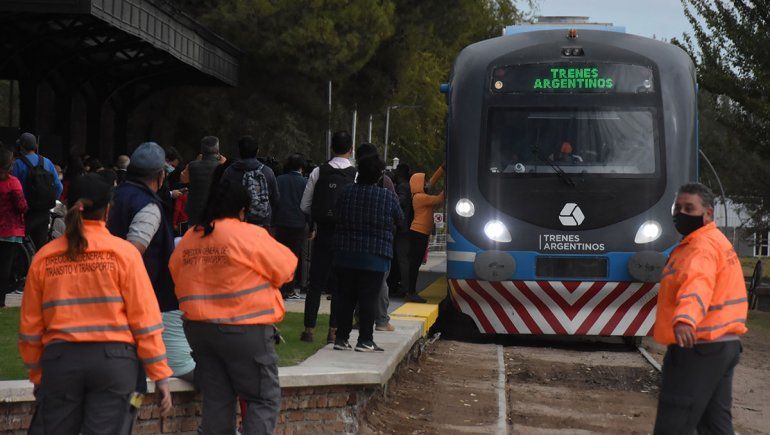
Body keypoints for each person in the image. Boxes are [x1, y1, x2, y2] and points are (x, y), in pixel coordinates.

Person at [18, 173, 172, 434]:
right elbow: (145, 320)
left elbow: (31, 327)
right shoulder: (124, 254)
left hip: (60, 362)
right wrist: (160, 375)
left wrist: (38, 374)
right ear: (107, 210)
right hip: (114, 363)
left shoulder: (45, 258)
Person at [169, 171, 295, 434]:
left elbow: (175, 271)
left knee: (217, 401)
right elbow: (286, 269)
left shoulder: (191, 238)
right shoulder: (249, 235)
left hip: (199, 330)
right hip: (245, 329)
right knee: (261, 398)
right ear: (242, 209)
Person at [652, 183, 748, 435]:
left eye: (689, 208)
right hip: (724, 345)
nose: (681, 214)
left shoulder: (700, 248)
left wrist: (685, 319)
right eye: (678, 207)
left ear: (708, 213)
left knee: (674, 422)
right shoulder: (716, 241)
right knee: (715, 425)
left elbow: (697, 286)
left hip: (697, 346)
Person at [332, 151, 403, 352]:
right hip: (375, 256)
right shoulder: (387, 197)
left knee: (346, 298)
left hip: (344, 254)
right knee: (368, 299)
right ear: (379, 176)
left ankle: (342, 338)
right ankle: (365, 339)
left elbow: (336, 215)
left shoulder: (346, 192)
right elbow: (401, 220)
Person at [300, 131, 357, 343]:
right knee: (340, 284)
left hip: (323, 233)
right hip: (345, 235)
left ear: (331, 148)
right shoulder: (355, 174)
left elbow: (305, 205)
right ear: (350, 149)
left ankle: (309, 329)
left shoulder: (318, 171)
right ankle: (333, 331)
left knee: (315, 282)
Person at [108, 142, 178, 313]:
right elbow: (132, 253)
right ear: (161, 176)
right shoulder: (148, 207)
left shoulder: (113, 194)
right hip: (134, 294)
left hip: (108, 290)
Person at [11, 132, 63, 251]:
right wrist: (48, 201)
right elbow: (59, 187)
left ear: (21, 146)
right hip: (44, 212)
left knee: (19, 246)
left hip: (25, 212)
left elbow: (13, 190)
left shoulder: (17, 164)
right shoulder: (47, 162)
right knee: (40, 247)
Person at [406, 164, 445, 303]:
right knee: (414, 264)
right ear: (418, 184)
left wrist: (441, 169)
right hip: (419, 233)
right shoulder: (420, 198)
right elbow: (440, 198)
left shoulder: (419, 196)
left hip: (420, 233)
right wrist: (450, 183)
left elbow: (431, 183)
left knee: (415, 263)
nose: (427, 182)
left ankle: (411, 291)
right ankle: (411, 292)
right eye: (424, 181)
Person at [222, 135, 280, 228]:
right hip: (262, 221)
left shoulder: (230, 171)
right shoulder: (267, 172)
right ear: (257, 151)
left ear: (239, 151)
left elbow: (222, 196)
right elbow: (275, 198)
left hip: (237, 221)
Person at [273, 153, 308, 298]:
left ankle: (280, 285)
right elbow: (307, 204)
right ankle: (290, 286)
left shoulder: (279, 180)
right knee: (294, 255)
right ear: (301, 167)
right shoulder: (305, 182)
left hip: (281, 222)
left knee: (280, 254)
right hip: (298, 223)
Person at [0, 148, 27, 307]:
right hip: (10, 229)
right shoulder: (13, 182)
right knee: (5, 266)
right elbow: (21, 205)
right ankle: (1, 300)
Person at [181, 136, 225, 226]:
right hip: (214, 212)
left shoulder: (192, 166)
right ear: (217, 150)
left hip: (194, 212)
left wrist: (197, 161)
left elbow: (183, 179)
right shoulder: (222, 167)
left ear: (202, 150)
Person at [393, 163, 413, 296]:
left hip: (403, 229)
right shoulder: (411, 186)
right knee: (405, 258)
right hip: (409, 227)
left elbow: (400, 201)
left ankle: (405, 286)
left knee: (402, 258)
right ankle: (406, 284)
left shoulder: (402, 186)